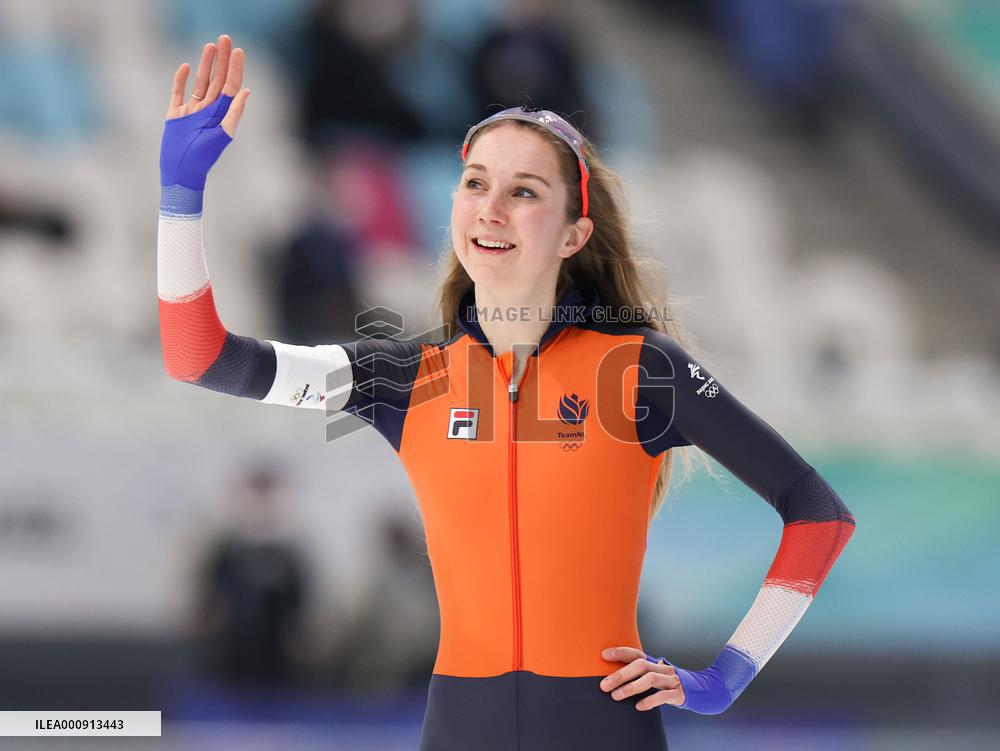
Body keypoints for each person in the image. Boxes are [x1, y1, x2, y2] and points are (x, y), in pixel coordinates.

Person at [157, 35, 857, 751]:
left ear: (573, 233)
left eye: (524, 191)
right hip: (461, 727)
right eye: (475, 183)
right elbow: (200, 358)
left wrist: (725, 676)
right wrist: (179, 197)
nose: (491, 207)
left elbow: (819, 516)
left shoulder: (641, 369)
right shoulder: (404, 376)